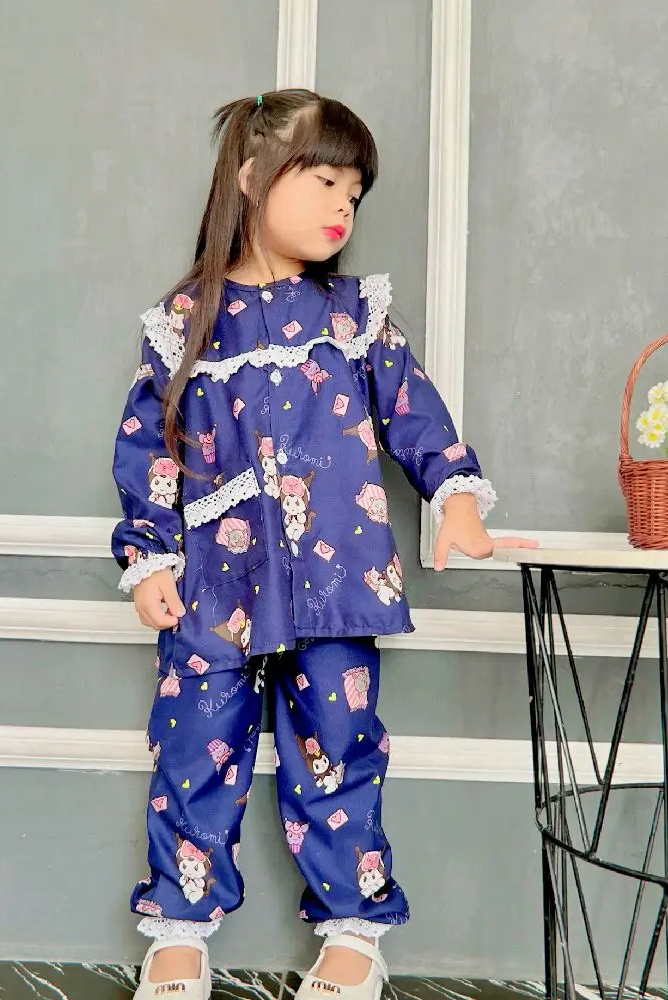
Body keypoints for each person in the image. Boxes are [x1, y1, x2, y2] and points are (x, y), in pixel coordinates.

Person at [111, 88, 536, 1000]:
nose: (345, 205)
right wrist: (147, 556)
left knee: (339, 748)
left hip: (338, 575)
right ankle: (178, 936)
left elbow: (414, 412)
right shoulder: (185, 321)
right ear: (252, 177)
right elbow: (150, 447)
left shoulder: (353, 315)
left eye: (356, 191)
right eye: (327, 181)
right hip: (214, 583)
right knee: (194, 749)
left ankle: (353, 936)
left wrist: (457, 499)